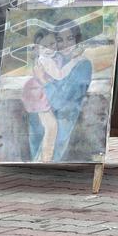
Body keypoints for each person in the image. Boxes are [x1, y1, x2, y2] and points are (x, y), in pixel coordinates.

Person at [26, 19, 93, 162]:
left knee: (48, 157)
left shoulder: (82, 64)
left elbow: (58, 100)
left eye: (70, 38)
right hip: (42, 124)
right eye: (59, 40)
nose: (65, 44)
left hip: (63, 124)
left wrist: (43, 80)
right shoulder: (54, 59)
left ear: (77, 39)